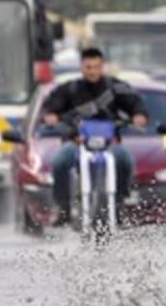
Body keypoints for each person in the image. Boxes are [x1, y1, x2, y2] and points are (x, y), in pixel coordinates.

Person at [40, 47, 148, 224]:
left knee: (126, 159)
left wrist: (139, 115)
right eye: (88, 67)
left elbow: (134, 101)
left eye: (96, 67)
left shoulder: (114, 86)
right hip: (77, 142)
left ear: (102, 66)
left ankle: (119, 201)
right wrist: (50, 115)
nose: (92, 71)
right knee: (59, 161)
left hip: (109, 144)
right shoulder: (70, 89)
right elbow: (52, 105)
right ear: (82, 67)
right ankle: (63, 207)